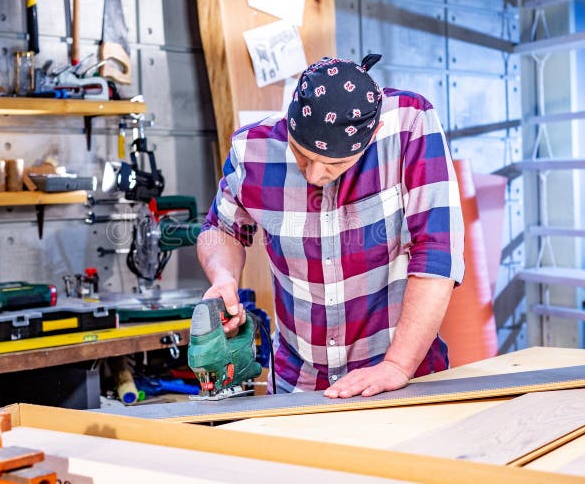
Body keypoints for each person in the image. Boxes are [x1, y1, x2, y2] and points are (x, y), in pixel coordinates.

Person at [197, 55, 464, 398]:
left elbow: (437, 252)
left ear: (373, 135)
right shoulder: (252, 149)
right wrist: (223, 277)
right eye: (301, 154)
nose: (313, 175)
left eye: (333, 164)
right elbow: (221, 230)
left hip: (401, 380)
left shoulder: (410, 125)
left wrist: (398, 365)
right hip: (298, 386)